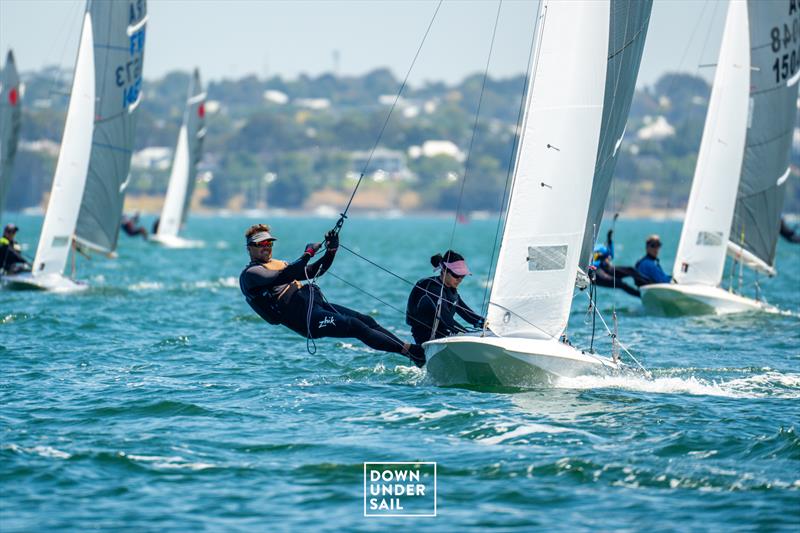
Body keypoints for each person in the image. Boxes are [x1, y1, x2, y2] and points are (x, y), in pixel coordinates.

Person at [239, 224, 426, 367]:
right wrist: (307, 253)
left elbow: (313, 272)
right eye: (261, 244)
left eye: (269, 243)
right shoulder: (251, 274)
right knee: (355, 326)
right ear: (250, 248)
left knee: (366, 320)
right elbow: (285, 276)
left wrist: (331, 251)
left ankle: (412, 353)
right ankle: (414, 352)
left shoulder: (278, 263)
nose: (266, 247)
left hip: (315, 305)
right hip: (306, 319)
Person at [406, 250, 485, 345]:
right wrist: (468, 335)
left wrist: (488, 325)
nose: (460, 279)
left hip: (443, 333)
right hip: (426, 339)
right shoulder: (432, 288)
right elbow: (446, 320)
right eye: (456, 275)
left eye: (462, 276)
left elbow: (468, 314)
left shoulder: (451, 290)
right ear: (444, 271)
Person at [590, 229, 648, 298]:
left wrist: (610, 240)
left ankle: (647, 283)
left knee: (630, 270)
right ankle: (642, 296)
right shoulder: (591, 250)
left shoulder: (601, 248)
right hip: (595, 273)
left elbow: (610, 255)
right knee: (621, 284)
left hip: (604, 269)